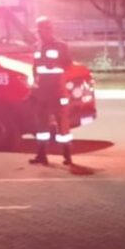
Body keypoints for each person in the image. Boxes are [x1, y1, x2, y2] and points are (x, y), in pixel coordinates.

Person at [29, 16, 74, 166]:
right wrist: (34, 85)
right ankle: (41, 155)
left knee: (62, 124)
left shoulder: (61, 45)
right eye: (38, 29)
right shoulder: (36, 46)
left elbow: (68, 64)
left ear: (50, 29)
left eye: (43, 29)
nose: (40, 32)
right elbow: (35, 67)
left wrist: (54, 64)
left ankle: (67, 155)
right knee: (42, 126)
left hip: (57, 91)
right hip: (42, 93)